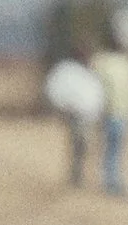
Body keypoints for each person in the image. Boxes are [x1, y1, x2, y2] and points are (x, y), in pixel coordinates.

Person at [43, 46, 105, 188]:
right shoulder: (68, 71)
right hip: (76, 114)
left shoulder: (88, 71)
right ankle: (77, 176)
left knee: (84, 146)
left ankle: (79, 174)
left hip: (89, 115)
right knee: (80, 144)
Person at [90, 35, 128, 197]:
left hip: (110, 112)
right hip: (125, 112)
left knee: (111, 150)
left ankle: (111, 183)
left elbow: (95, 85)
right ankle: (114, 182)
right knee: (117, 150)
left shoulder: (102, 62)